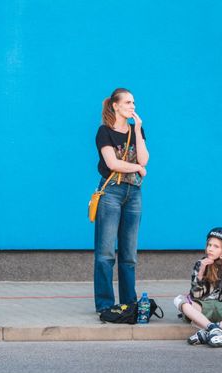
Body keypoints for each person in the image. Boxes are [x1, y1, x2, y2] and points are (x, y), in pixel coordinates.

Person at [93, 88, 149, 313]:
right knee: (106, 253)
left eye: (133, 102)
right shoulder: (104, 131)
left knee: (129, 254)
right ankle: (105, 304)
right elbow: (112, 163)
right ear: (115, 105)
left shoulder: (137, 130)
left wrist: (137, 130)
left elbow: (144, 159)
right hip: (111, 193)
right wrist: (137, 168)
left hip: (134, 193)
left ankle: (130, 302)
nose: (132, 106)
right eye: (127, 102)